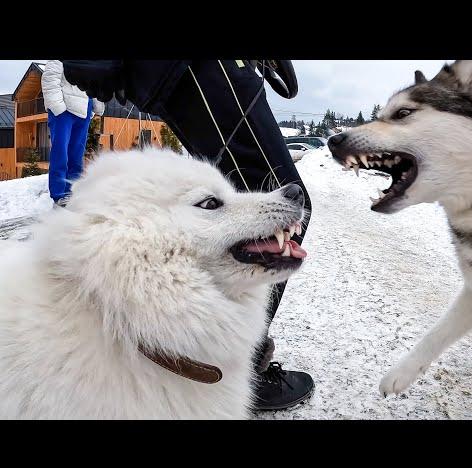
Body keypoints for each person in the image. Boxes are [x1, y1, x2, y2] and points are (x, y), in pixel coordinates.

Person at [61, 60, 314, 410]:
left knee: (241, 198)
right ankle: (222, 368)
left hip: (186, 71)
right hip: (198, 68)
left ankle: (194, 362)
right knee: (260, 200)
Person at [41, 60, 104, 207]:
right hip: (64, 112)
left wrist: (95, 108)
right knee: (61, 153)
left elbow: (93, 84)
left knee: (76, 155)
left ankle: (72, 191)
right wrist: (58, 108)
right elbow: (49, 80)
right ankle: (59, 194)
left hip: (83, 112)